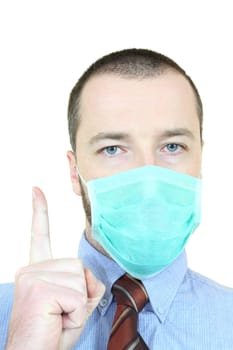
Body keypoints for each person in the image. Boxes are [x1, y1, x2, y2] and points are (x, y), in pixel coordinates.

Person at [1, 48, 233, 350]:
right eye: (113, 149)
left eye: (173, 146)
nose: (148, 184)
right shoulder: (8, 317)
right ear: (74, 172)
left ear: (200, 160)